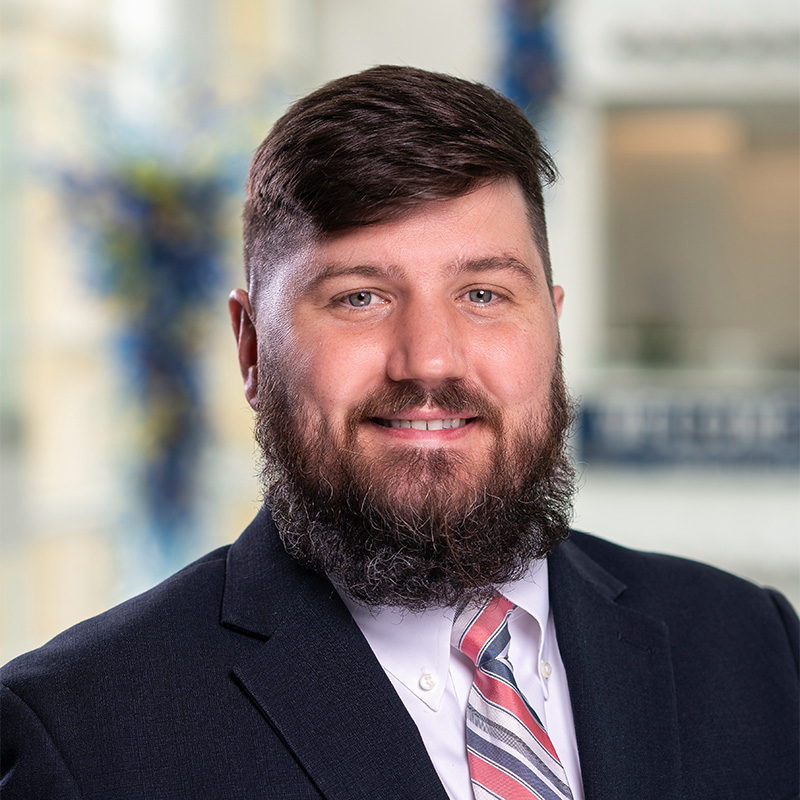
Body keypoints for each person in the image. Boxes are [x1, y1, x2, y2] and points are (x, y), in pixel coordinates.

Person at [1, 65, 797, 800]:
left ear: (551, 328)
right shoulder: (79, 737)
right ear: (250, 349)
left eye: (483, 294)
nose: (429, 359)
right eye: (359, 297)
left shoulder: (758, 651)